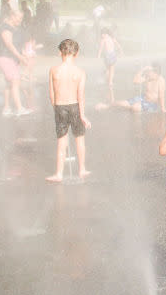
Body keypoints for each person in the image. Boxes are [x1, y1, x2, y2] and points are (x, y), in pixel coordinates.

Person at [46, 39, 91, 182]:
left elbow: (51, 93)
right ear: (76, 54)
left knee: (62, 142)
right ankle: (82, 169)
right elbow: (81, 95)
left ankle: (59, 174)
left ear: (60, 52)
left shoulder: (54, 70)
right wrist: (82, 115)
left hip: (60, 106)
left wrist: (55, 108)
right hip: (75, 106)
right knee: (80, 140)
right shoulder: (80, 72)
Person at [0, 5, 32, 116]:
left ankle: (6, 109)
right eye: (18, 18)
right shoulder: (5, 27)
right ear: (12, 16)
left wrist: (23, 53)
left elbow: (17, 44)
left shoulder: (14, 28)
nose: (20, 20)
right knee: (16, 81)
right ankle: (19, 108)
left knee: (9, 83)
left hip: (12, 58)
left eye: (21, 18)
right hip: (5, 57)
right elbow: (9, 45)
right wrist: (20, 57)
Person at [97, 27, 122, 105]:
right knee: (111, 69)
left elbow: (101, 48)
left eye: (102, 34)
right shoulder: (112, 38)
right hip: (112, 54)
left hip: (108, 55)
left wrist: (98, 55)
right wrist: (121, 50)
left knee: (109, 69)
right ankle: (110, 82)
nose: (101, 36)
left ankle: (108, 81)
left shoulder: (104, 39)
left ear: (105, 34)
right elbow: (118, 45)